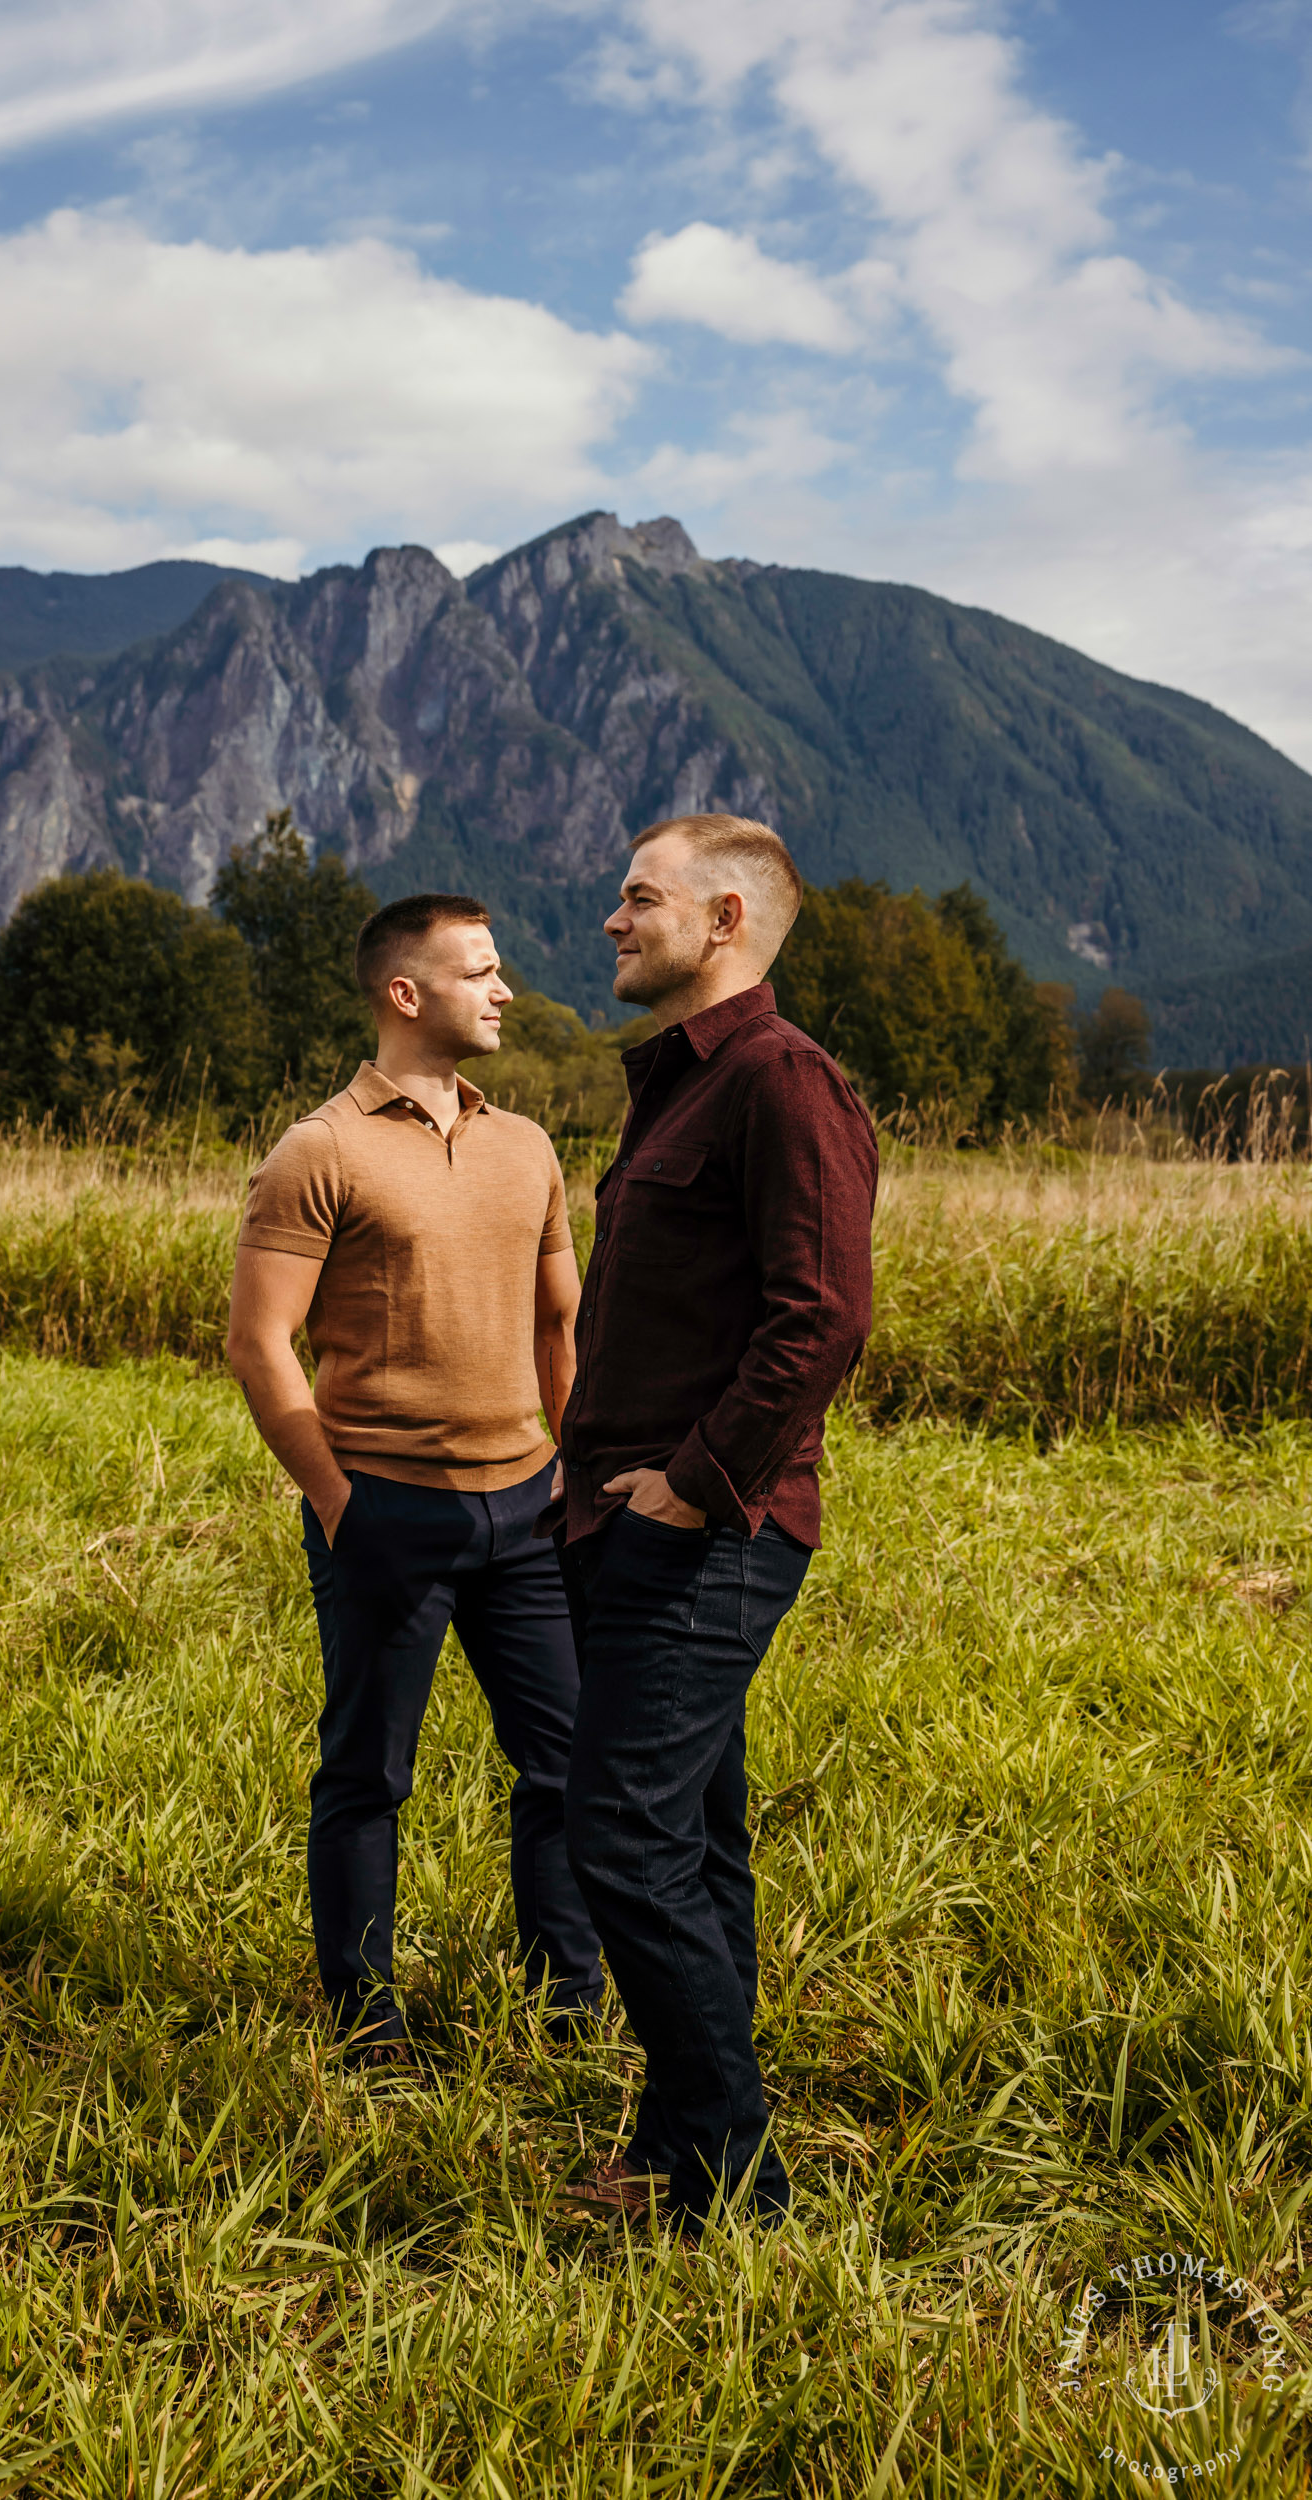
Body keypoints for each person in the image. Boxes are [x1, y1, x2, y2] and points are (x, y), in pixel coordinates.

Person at [550, 813, 877, 2227]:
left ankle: (730, 2177)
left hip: (707, 1533)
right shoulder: (676, 1086)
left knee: (617, 1839)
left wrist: (690, 1482)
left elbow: (821, 1320)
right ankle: (681, 2147)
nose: (613, 921)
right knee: (686, 1839)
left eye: (639, 898)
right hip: (627, 1527)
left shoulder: (778, 1083)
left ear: (725, 918)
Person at [226, 891, 603, 2061]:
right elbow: (258, 1341)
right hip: (386, 1507)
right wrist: (341, 1501)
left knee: (564, 1762)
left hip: (532, 1510)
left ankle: (566, 2004)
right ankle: (363, 2019)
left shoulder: (526, 1145)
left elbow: (561, 1324)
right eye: (479, 972)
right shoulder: (318, 1150)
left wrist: (575, 1471)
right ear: (405, 994)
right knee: (367, 1771)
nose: (503, 990)